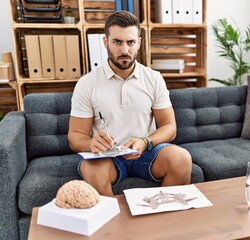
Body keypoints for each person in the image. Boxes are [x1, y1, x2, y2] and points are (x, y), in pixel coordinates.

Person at [68, 10, 192, 196]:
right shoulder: (87, 83)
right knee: (92, 169)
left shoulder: (154, 78)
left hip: (147, 152)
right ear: (105, 42)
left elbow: (169, 127)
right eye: (117, 42)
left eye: (131, 42)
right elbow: (75, 137)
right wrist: (91, 143)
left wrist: (145, 141)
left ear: (139, 43)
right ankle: (112, 225)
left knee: (181, 158)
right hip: (108, 157)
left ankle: (165, 221)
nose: (125, 50)